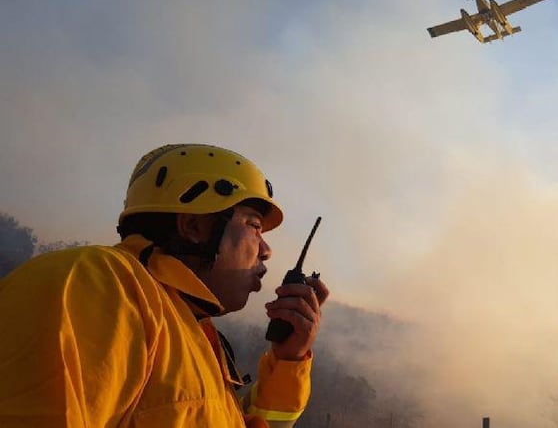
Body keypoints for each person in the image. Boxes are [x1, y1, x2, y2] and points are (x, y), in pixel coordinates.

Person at [0, 144, 329, 428]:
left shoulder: (192, 332)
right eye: (253, 226)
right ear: (194, 225)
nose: (266, 249)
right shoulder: (100, 284)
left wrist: (289, 360)